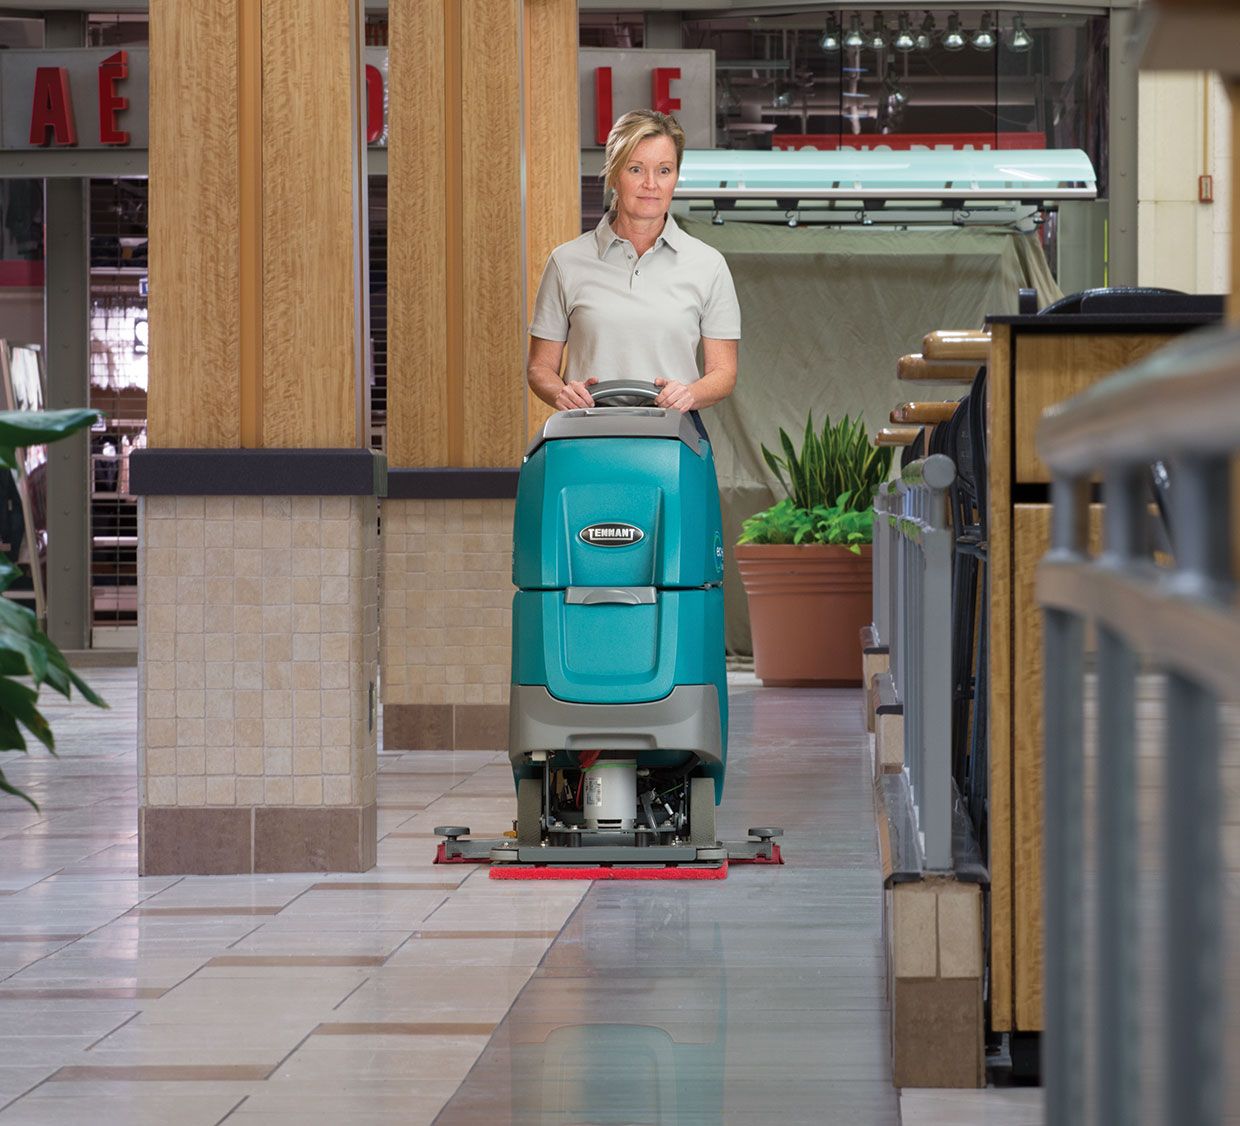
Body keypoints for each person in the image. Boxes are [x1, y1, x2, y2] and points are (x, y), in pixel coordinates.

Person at [526, 109, 740, 417]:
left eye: (664, 170)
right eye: (636, 169)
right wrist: (561, 392)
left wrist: (688, 394)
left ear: (675, 176)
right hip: (585, 435)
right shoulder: (566, 262)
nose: (651, 184)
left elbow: (723, 372)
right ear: (614, 174)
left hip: (673, 437)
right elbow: (539, 367)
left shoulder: (709, 266)